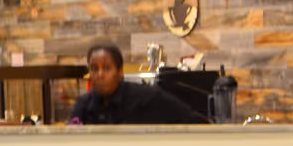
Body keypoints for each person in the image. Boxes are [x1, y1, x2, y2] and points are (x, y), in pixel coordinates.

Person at [68, 43, 200, 125]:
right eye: (94, 68)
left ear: (120, 72)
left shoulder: (147, 98)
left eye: (107, 68)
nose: (100, 74)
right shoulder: (83, 104)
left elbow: (188, 117)